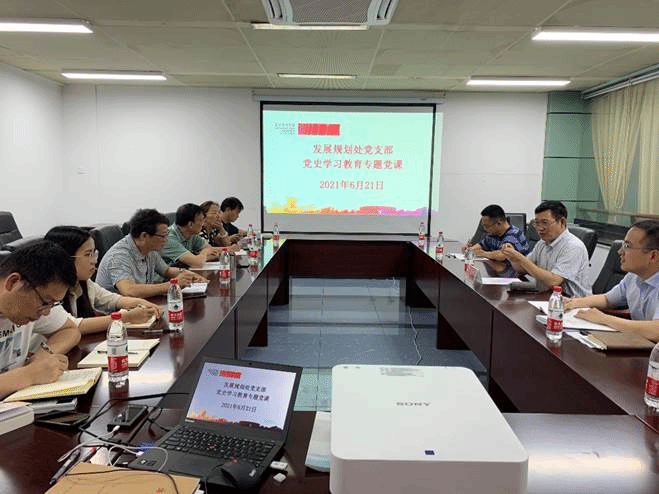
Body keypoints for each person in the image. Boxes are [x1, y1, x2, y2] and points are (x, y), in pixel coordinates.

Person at [45, 226, 163, 334]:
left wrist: (143, 304)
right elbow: (75, 326)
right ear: (65, 258)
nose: (94, 261)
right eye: (88, 254)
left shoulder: (83, 282)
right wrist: (127, 317)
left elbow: (114, 299)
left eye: (94, 253)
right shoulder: (48, 293)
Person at [0, 241, 81, 399]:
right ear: (13, 282)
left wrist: (45, 353)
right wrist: (30, 375)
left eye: (52, 304)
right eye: (46, 302)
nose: (46, 312)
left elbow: (70, 330)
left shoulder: (31, 301)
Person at [565, 220, 659, 341]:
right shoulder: (633, 277)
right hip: (640, 344)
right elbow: (607, 299)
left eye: (627, 246)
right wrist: (574, 303)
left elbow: (656, 331)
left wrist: (604, 319)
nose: (620, 252)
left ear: (653, 256)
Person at [96, 209, 206, 297]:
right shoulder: (119, 256)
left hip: (139, 306)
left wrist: (187, 275)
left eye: (167, 235)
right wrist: (172, 284)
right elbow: (129, 290)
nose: (166, 240)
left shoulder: (149, 249)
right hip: (116, 314)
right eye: (162, 236)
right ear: (144, 236)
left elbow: (166, 270)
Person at [501, 200, 591, 297]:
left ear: (562, 222)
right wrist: (512, 257)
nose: (540, 228)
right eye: (537, 223)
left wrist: (521, 258)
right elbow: (522, 269)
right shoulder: (542, 243)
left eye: (545, 223)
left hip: (572, 301)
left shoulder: (573, 246)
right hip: (547, 297)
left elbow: (554, 281)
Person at [464, 204, 529, 276]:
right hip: (500, 272)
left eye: (487, 226)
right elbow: (479, 246)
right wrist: (469, 249)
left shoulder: (513, 234)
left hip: (517, 276)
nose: (484, 229)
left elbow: (502, 255)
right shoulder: (493, 234)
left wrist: (483, 253)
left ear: (499, 222)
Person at [160, 203, 224, 268]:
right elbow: (197, 263)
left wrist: (200, 256)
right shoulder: (168, 238)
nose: (203, 224)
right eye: (201, 220)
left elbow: (212, 251)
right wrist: (205, 252)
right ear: (190, 224)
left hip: (183, 271)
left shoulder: (192, 234)